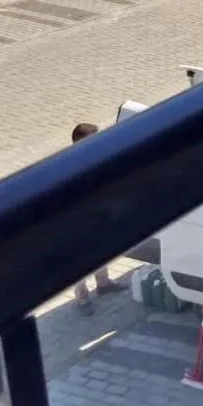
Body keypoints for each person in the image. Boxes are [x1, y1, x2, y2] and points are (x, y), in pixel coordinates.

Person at [70, 123, 125, 315]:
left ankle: (103, 284)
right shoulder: (69, 163)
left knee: (102, 250)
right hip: (78, 218)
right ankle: (82, 297)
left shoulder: (95, 156)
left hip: (98, 213)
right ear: (80, 141)